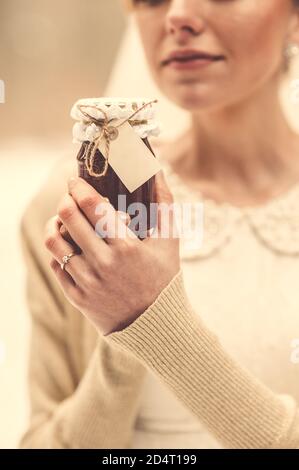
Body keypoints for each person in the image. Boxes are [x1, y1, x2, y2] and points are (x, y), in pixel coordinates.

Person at [19, 0, 299, 448]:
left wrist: (148, 318)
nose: (177, 15)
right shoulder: (78, 206)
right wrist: (121, 342)